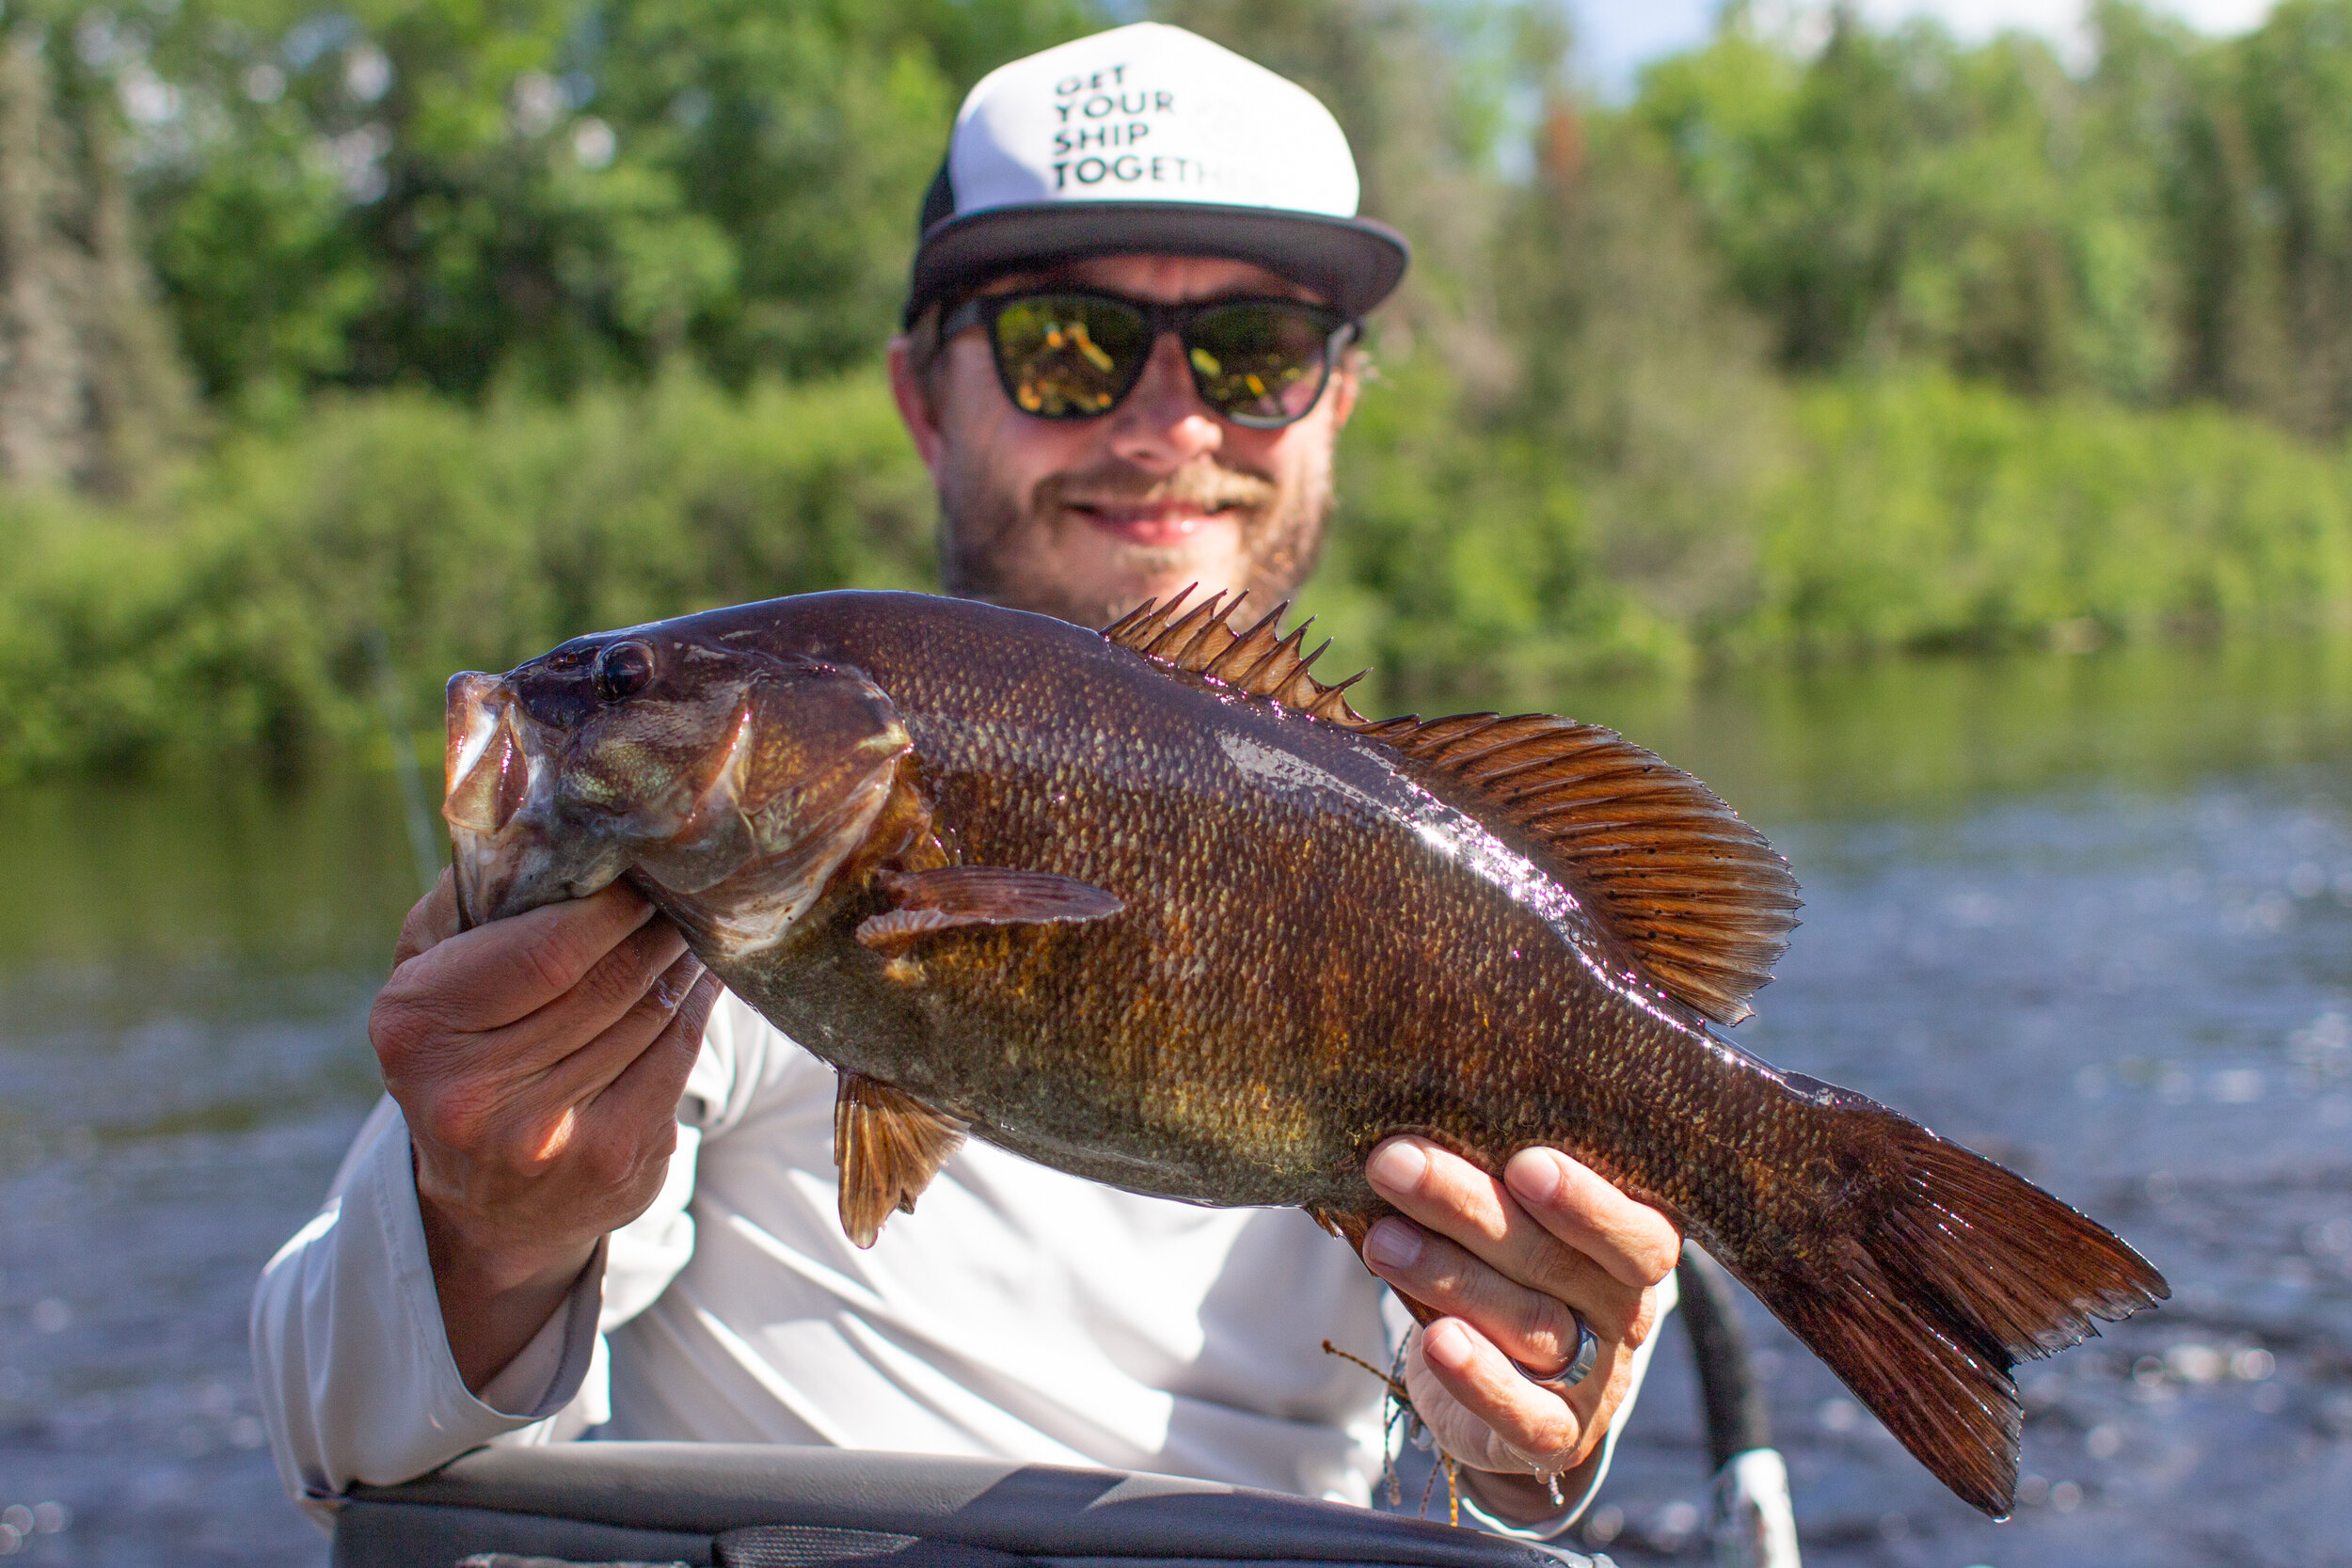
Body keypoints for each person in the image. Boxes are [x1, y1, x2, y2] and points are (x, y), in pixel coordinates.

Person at [252, 21, 1681, 1546]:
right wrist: (480, 1229)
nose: (1171, 421)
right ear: (925, 399)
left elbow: (1492, 1439)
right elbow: (344, 1422)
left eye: (1255, 353)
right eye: (1065, 344)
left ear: (1334, 405)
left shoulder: (1432, 874)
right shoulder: (734, 844)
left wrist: (1535, 1419)